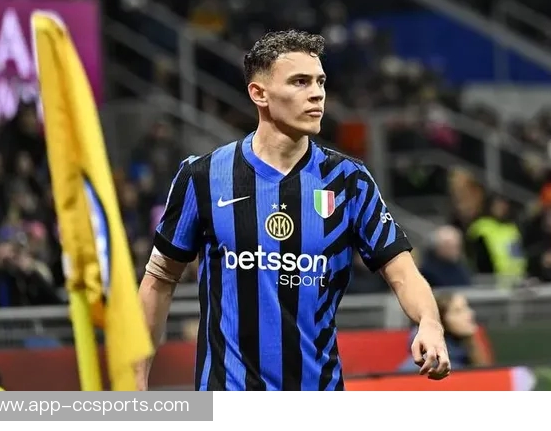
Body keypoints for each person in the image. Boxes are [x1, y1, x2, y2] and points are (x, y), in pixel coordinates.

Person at [136, 30, 450, 391]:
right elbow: (158, 281)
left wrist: (429, 323)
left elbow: (403, 272)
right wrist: (135, 378)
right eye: (300, 82)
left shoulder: (349, 181)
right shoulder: (202, 176)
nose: (317, 93)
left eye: (320, 82)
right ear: (259, 94)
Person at [398, 292, 492, 372]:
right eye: (458, 311)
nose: (470, 314)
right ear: (441, 321)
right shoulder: (421, 365)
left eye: (466, 307)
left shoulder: (466, 351)